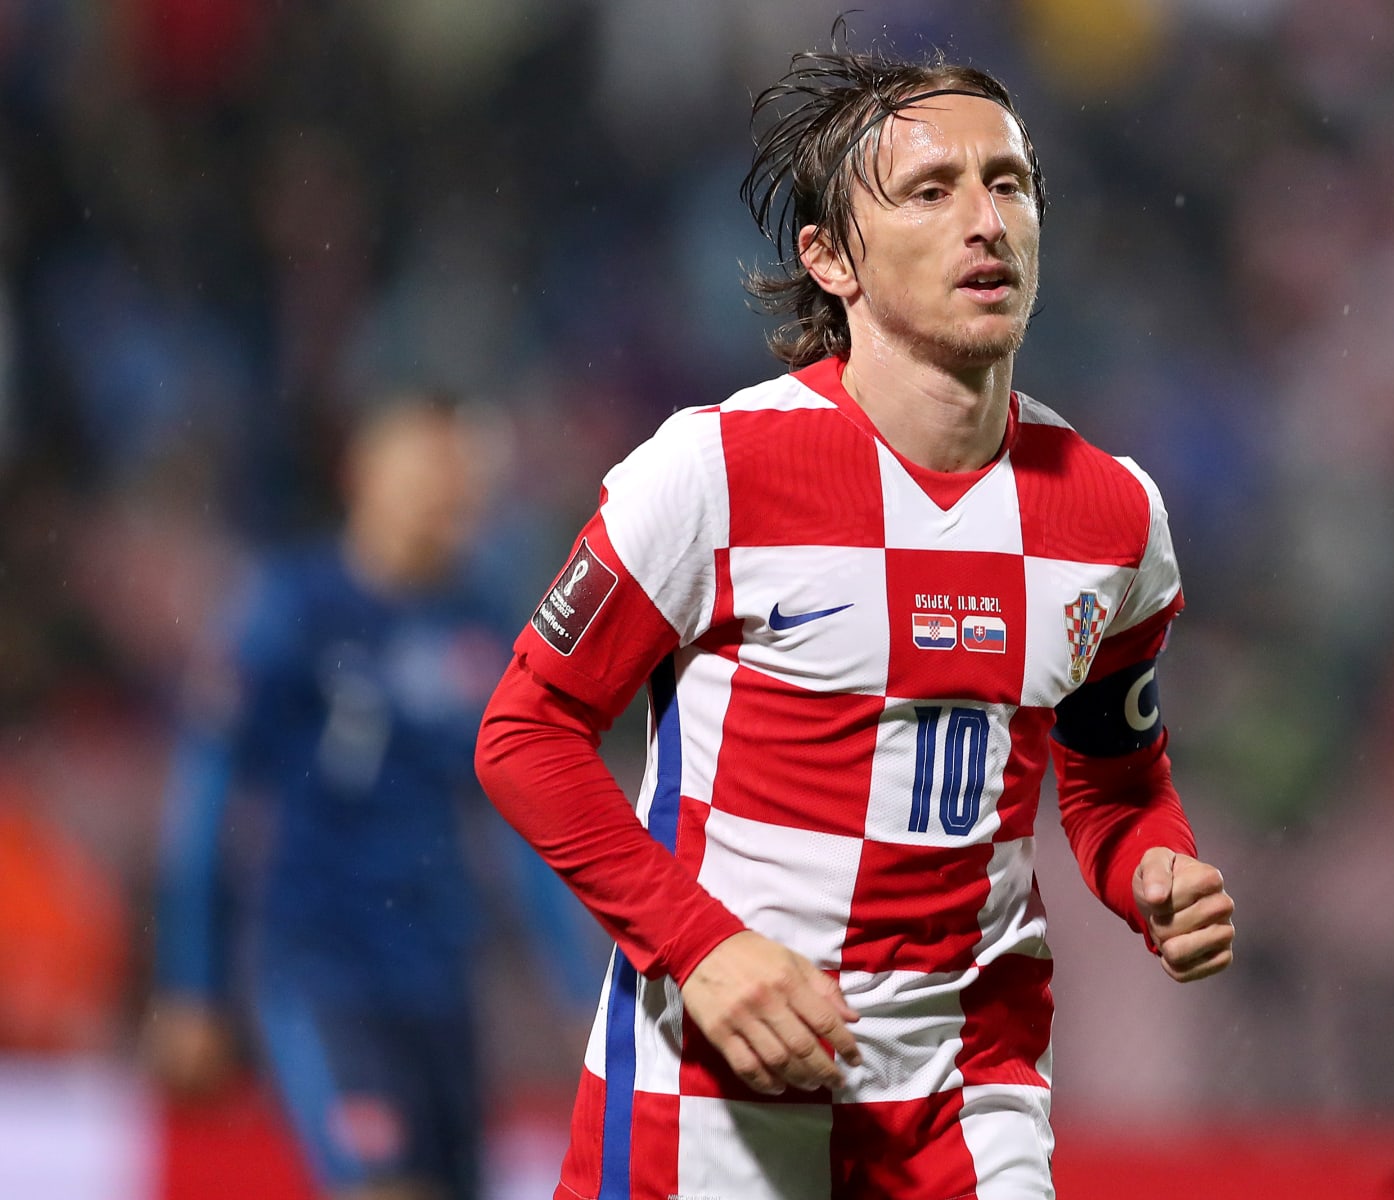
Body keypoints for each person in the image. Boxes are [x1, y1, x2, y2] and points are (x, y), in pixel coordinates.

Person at [475, 36, 1236, 1200]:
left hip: (969, 1090)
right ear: (833, 258)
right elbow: (525, 736)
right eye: (933, 191)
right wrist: (704, 948)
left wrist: (1154, 870)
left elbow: (1113, 780)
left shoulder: (1112, 516)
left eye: (1009, 183)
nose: (985, 219)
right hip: (717, 1082)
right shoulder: (715, 472)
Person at [147, 397, 599, 1200]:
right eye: (422, 470)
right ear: (363, 475)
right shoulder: (293, 609)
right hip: (323, 969)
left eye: (456, 475)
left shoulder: (481, 626)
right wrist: (193, 980)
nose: (444, 493)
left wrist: (577, 987)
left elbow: (521, 824)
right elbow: (209, 796)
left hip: (440, 982)